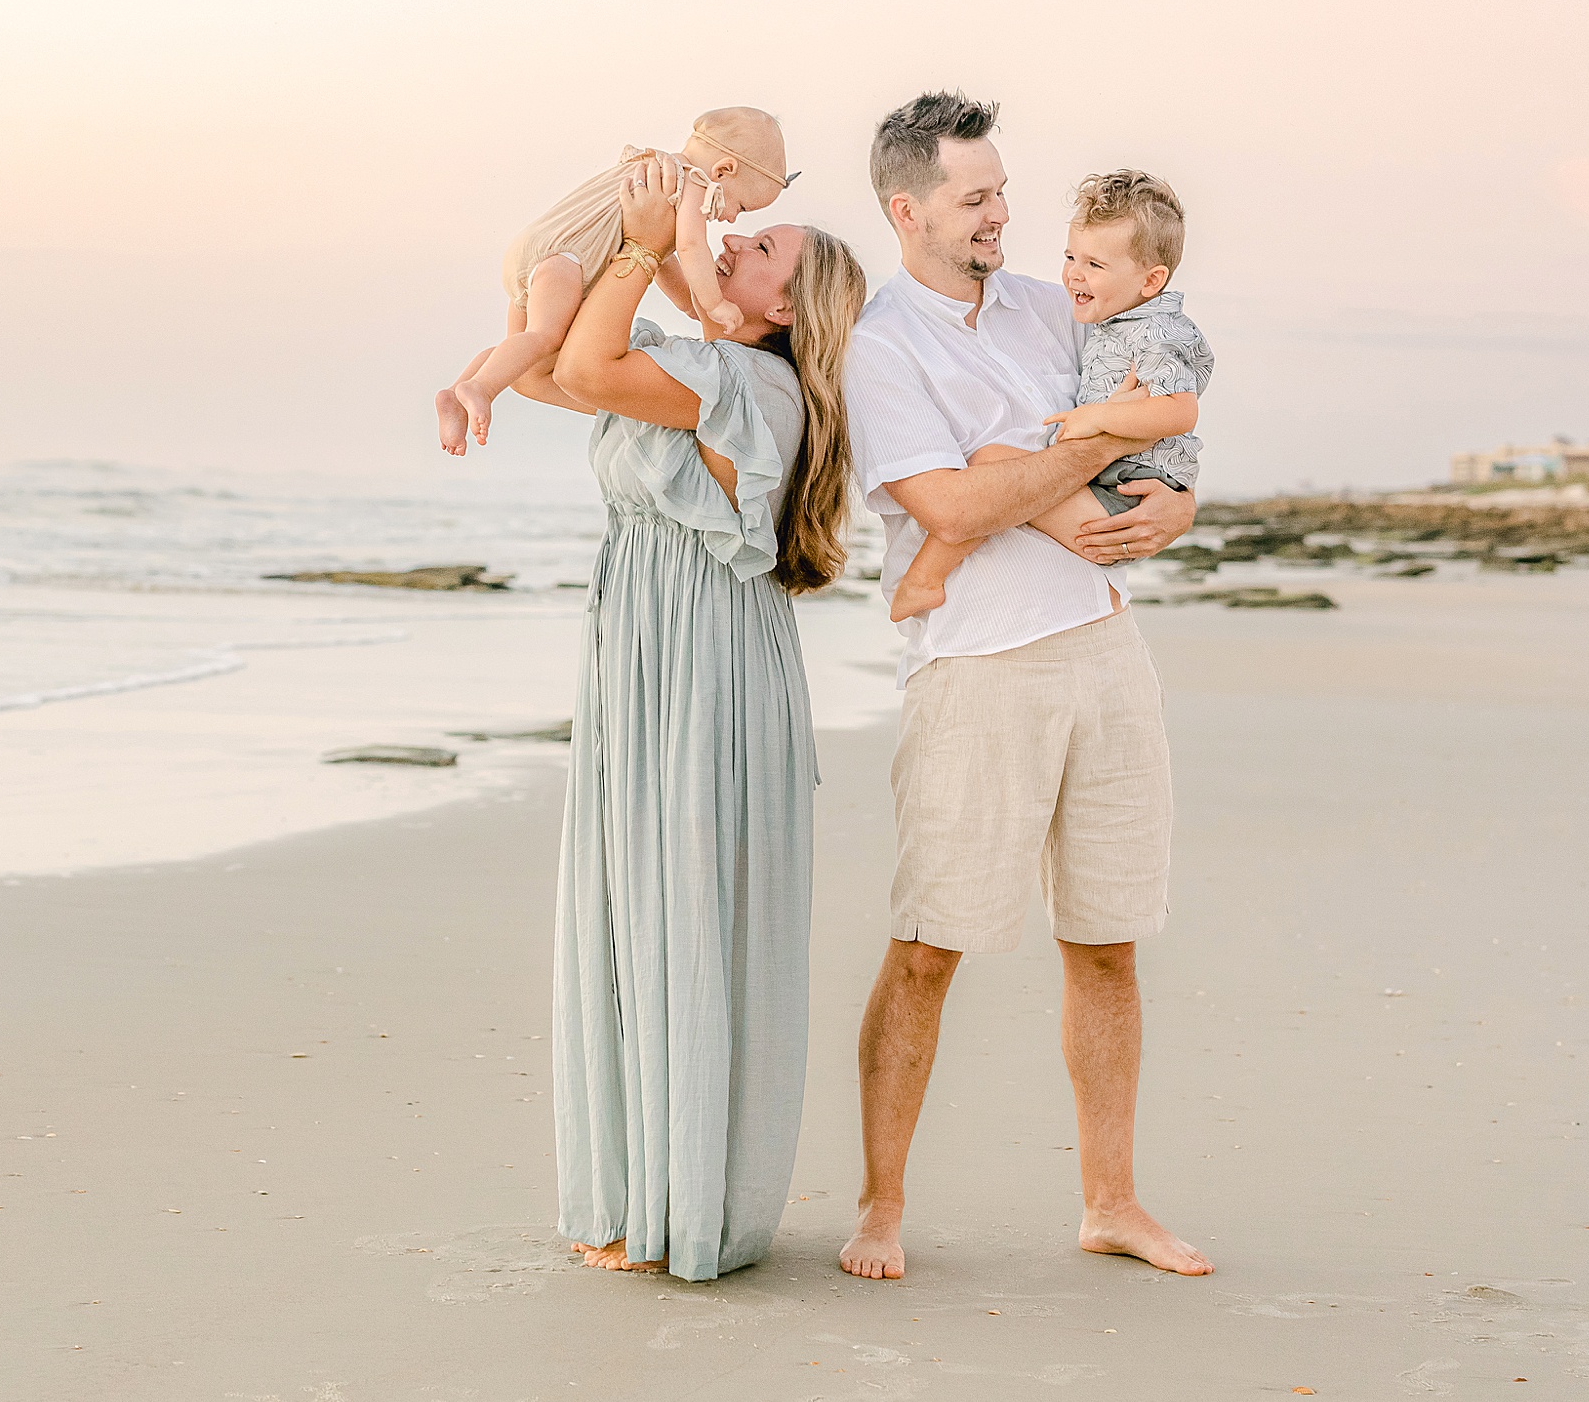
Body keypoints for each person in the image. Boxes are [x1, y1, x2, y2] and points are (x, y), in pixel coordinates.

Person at [837, 93, 1213, 1284]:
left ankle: (1112, 1201)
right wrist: (1075, 470)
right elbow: (945, 507)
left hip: (1105, 645)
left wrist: (1177, 499)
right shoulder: (880, 343)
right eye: (975, 195)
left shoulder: (1060, 304)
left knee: (1108, 941)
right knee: (929, 943)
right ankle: (881, 1206)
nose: (1003, 210)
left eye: (1002, 190)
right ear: (909, 209)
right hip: (976, 664)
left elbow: (1151, 429)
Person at [517, 150, 865, 1282]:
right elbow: (548, 365)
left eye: (763, 248)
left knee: (682, 902)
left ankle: (686, 1201)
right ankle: (634, 1190)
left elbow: (590, 361)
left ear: (786, 304)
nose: (738, 243)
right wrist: (618, 232)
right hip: (650, 640)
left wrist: (646, 244)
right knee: (638, 900)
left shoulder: (748, 388)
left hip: (703, 655)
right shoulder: (710, 363)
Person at [889, 167, 1213, 622]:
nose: (1074, 276)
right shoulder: (1111, 319)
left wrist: (1095, 420)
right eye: (1071, 257)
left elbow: (1180, 412)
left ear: (1151, 280)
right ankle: (922, 580)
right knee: (993, 478)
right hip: (1111, 494)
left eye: (1094, 265)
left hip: (1119, 505)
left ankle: (923, 580)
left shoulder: (1157, 332)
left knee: (990, 467)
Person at [436, 107, 796, 453]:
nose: (731, 220)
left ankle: (456, 394)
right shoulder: (694, 183)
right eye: (742, 206)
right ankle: (479, 387)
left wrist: (693, 301)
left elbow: (662, 256)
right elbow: (689, 246)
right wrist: (716, 303)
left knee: (530, 347)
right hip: (566, 260)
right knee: (543, 336)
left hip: (545, 252)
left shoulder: (655, 169)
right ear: (724, 170)